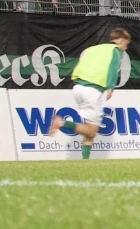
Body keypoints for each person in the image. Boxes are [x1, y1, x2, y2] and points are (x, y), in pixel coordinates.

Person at [46, 27, 131, 159]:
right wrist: (110, 87)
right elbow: (113, 67)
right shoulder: (114, 50)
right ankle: (61, 123)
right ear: (120, 41)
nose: (125, 48)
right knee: (92, 131)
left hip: (78, 87)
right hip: (92, 90)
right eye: (125, 44)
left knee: (88, 128)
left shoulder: (93, 49)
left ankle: (85, 161)